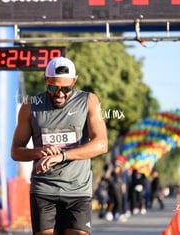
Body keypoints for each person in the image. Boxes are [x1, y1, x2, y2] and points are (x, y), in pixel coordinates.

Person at [11, 57, 108, 235]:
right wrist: (38, 151)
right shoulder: (30, 106)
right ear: (45, 79)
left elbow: (101, 144)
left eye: (66, 89)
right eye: (53, 88)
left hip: (77, 191)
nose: (59, 94)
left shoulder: (88, 102)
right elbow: (16, 151)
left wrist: (62, 155)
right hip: (44, 190)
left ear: (74, 81)